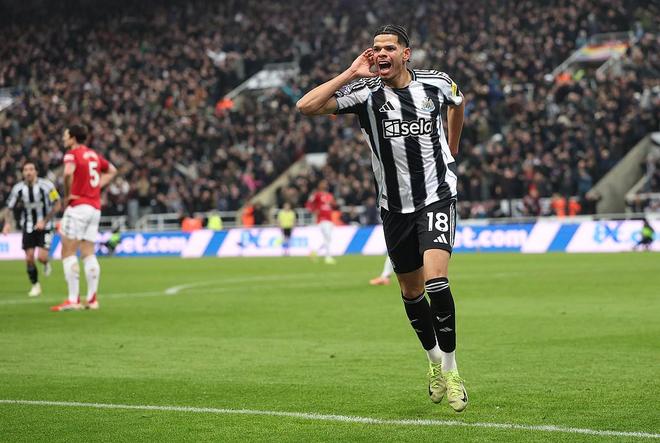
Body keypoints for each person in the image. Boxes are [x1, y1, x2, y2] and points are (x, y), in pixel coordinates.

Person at [297, 24, 468, 412]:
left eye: (389, 48)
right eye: (375, 48)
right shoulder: (366, 94)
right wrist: (350, 72)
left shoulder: (437, 83)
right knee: (411, 291)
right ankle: (434, 362)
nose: (380, 53)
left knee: (437, 280)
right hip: (394, 207)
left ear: (405, 54)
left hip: (437, 196)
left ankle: (452, 370)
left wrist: (452, 145)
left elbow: (458, 102)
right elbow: (306, 107)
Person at [51, 124, 117, 312]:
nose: (63, 139)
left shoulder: (72, 154)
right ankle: (92, 299)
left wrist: (67, 194)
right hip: (95, 208)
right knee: (88, 251)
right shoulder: (94, 155)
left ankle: (73, 300)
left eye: (66, 136)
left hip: (78, 206)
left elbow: (67, 173)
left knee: (68, 251)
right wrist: (96, 187)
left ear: (73, 138)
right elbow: (112, 170)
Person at [2, 161, 61, 297]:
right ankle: (35, 285)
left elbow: (57, 204)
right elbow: (9, 208)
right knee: (29, 258)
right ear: (23, 173)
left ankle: (45, 263)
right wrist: (7, 224)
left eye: (31, 169)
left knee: (41, 257)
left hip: (46, 226)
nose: (28, 172)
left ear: (36, 172)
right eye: (25, 170)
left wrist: (44, 221)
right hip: (28, 226)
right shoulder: (18, 189)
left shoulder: (47, 186)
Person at [305, 179, 337, 264]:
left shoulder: (329, 195)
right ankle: (328, 257)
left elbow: (334, 205)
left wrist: (334, 203)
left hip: (329, 219)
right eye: (323, 183)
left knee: (328, 238)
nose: (325, 185)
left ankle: (315, 252)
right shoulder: (316, 194)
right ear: (319, 185)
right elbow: (309, 203)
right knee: (327, 237)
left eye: (326, 183)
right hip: (322, 219)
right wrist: (313, 210)